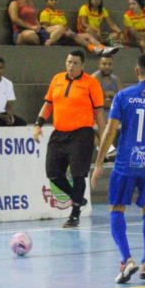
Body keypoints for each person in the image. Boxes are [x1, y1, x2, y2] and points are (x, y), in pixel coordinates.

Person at [91, 53, 145, 283]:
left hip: (125, 162)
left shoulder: (123, 96)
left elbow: (109, 132)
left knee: (117, 208)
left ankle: (126, 259)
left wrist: (99, 162)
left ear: (136, 71)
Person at [32, 49, 105, 228]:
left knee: (78, 174)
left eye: (75, 63)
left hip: (81, 133)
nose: (71, 66)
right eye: (69, 62)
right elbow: (48, 104)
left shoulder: (91, 83)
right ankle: (78, 199)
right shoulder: (57, 79)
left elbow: (99, 113)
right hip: (60, 132)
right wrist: (38, 124)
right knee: (53, 173)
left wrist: (104, 137)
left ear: (82, 65)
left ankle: (74, 215)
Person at [39, 0, 119, 56]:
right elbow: (46, 28)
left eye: (55, 0)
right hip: (55, 37)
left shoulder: (61, 13)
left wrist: (66, 30)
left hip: (66, 35)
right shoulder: (45, 13)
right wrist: (60, 29)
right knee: (71, 33)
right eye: (51, 0)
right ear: (46, 2)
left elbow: (66, 26)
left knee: (87, 36)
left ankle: (103, 48)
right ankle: (93, 48)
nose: (54, 2)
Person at [92, 55, 122, 159]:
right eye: (104, 64)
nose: (107, 67)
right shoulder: (94, 78)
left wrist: (110, 95)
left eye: (110, 64)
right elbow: (95, 100)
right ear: (99, 64)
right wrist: (108, 95)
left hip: (111, 111)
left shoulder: (116, 79)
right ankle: (107, 150)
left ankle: (109, 150)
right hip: (96, 112)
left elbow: (120, 98)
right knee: (100, 119)